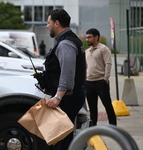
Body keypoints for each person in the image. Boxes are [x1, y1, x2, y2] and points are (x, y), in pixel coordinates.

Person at [44, 9, 86, 150]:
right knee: (63, 137)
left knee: (60, 140)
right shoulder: (72, 39)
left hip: (67, 98)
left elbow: (67, 74)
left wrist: (57, 97)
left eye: (48, 22)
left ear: (57, 23)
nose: (47, 25)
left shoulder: (65, 44)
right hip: (72, 95)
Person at [85, 28, 117, 126]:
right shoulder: (86, 51)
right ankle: (93, 127)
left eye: (89, 37)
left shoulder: (103, 49)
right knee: (92, 108)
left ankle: (113, 126)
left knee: (107, 105)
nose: (87, 39)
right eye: (86, 37)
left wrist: (106, 78)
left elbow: (108, 63)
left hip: (101, 82)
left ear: (96, 37)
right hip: (89, 82)